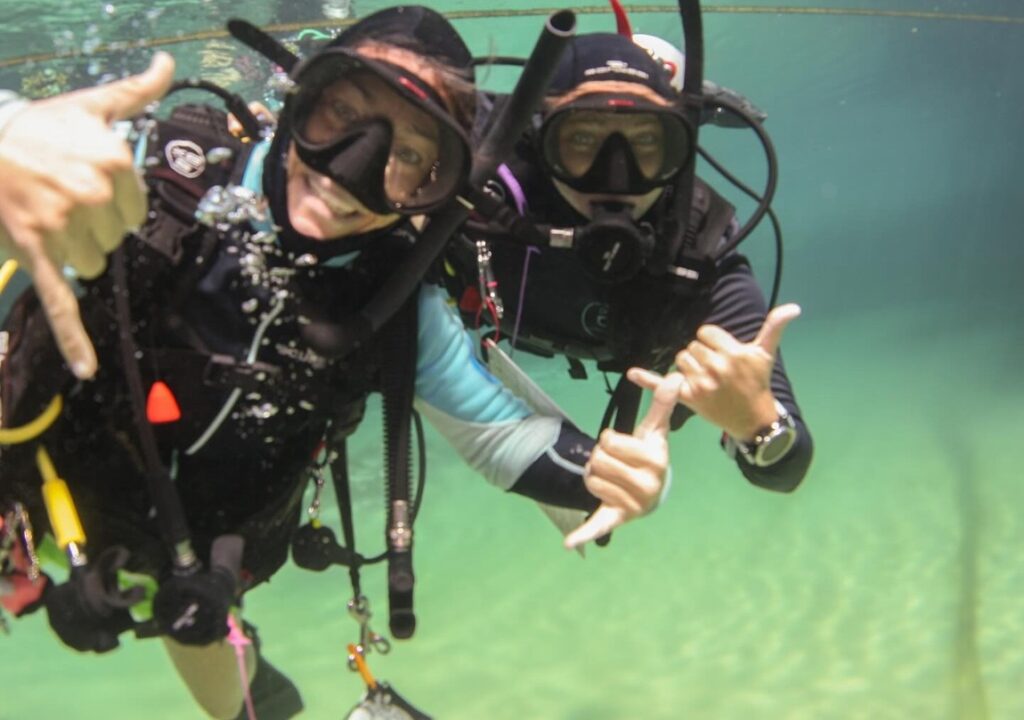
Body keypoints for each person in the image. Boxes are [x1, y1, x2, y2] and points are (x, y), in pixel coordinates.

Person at [0, 7, 678, 719]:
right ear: (298, 101)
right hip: (27, 487)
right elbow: (37, 170)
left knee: (219, 682)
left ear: (438, 183)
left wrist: (627, 479)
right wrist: (13, 133)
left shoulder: (391, 304)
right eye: (342, 116)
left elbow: (503, 435)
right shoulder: (153, 181)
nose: (351, 174)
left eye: (411, 155)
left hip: (201, 558)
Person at [446, 30, 813, 494]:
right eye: (580, 137)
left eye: (646, 142)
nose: (616, 177)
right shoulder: (476, 190)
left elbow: (787, 470)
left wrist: (757, 421)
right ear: (541, 138)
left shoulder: (698, 247)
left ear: (677, 157)